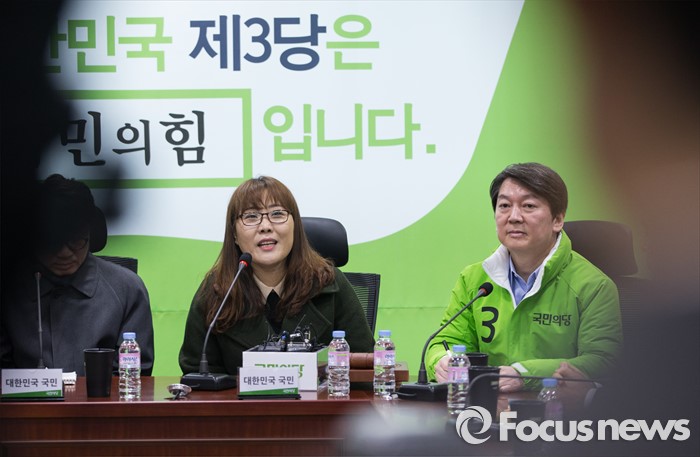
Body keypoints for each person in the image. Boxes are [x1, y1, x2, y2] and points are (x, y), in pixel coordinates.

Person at [426, 162, 623, 392]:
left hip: (556, 409)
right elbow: (445, 342)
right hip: (487, 406)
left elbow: (601, 360)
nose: (514, 217)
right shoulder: (474, 279)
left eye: (528, 206)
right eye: (504, 206)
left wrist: (525, 374)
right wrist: (440, 361)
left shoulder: (594, 286)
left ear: (558, 220)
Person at [179, 176, 374, 374]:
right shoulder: (217, 291)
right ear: (235, 235)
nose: (265, 226)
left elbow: (364, 367)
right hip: (239, 396)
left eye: (277, 214)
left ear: (295, 227)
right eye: (251, 216)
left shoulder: (329, 282)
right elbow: (197, 375)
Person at [0, 174, 155, 375]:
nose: (65, 253)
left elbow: (133, 376)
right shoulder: (9, 289)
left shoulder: (127, 289)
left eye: (75, 240)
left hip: (102, 396)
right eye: (53, 242)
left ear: (90, 234)